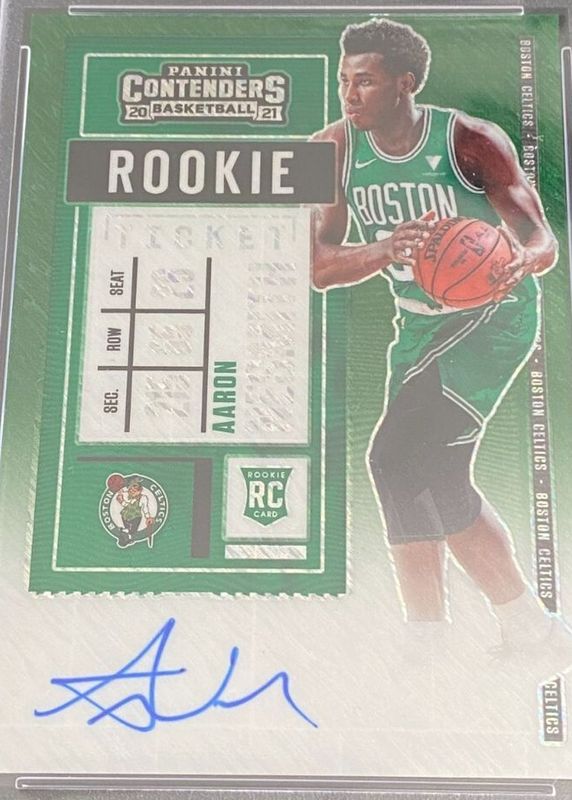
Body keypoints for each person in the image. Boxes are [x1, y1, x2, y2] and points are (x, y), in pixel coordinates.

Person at [312, 17, 566, 657]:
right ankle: (524, 628)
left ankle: (430, 641)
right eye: (344, 81)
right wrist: (384, 248)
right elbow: (318, 266)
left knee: (394, 458)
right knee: (419, 476)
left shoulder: (470, 141)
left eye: (365, 81)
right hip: (418, 325)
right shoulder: (332, 149)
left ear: (405, 83)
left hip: (493, 316)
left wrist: (520, 259)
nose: (349, 94)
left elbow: (542, 239)